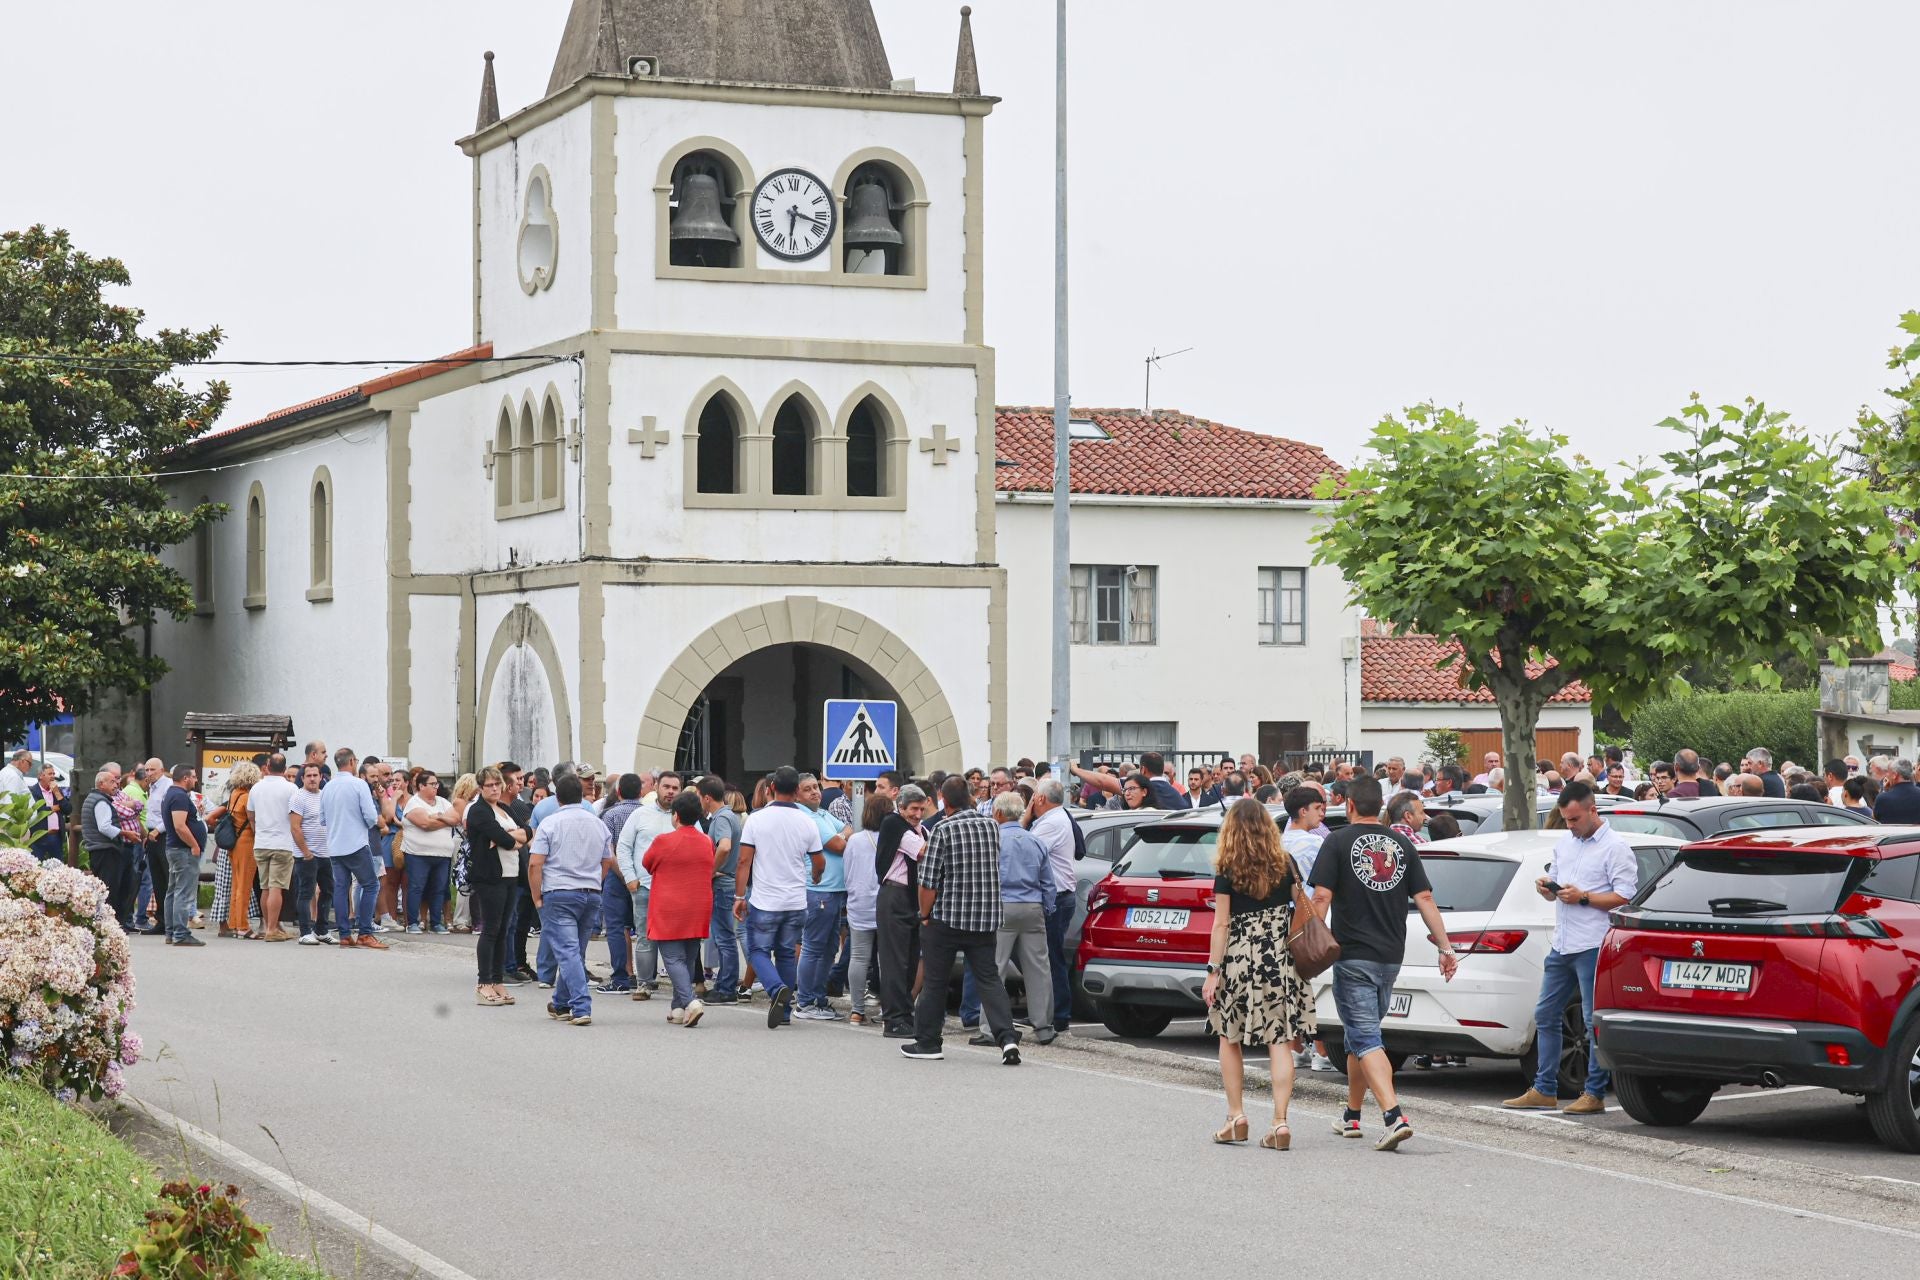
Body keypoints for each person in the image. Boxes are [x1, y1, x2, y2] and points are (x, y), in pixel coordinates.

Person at [1308, 775, 1458, 1150]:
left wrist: (1304, 941)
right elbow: (1424, 898)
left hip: (1354, 954)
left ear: (1350, 805)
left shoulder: (1337, 841)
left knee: (1366, 1037)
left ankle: (1394, 1116)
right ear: (1382, 807)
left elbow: (1322, 897)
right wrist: (1445, 948)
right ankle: (1352, 1115)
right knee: (1360, 1035)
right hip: (1391, 956)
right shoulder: (1402, 844)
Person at [1504, 781, 1639, 1114]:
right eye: (1566, 819)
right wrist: (1548, 889)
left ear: (1593, 810)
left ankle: (1594, 1093)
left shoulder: (1615, 847)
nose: (1570, 825)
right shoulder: (1566, 843)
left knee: (1592, 1022)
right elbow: (1561, 885)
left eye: (1575, 819)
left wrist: (1584, 897)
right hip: (1563, 942)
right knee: (1546, 1015)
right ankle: (1544, 1088)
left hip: (1594, 943)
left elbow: (1625, 897)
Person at [1202, 798, 1316, 1148]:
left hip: (1239, 959)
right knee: (1279, 1040)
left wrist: (1213, 971)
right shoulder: (1286, 862)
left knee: (1229, 1037)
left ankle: (1236, 1116)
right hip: (1280, 959)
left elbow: (1221, 923)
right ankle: (1280, 1122)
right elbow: (1303, 906)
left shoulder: (1228, 867)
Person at [903, 777, 1021, 1064]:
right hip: (985, 918)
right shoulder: (992, 826)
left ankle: (929, 1043)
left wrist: (925, 914)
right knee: (989, 979)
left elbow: (928, 882)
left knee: (935, 981)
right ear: (969, 796)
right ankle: (1006, 1039)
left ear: (943, 798)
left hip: (947, 918)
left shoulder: (942, 830)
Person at [735, 766, 823, 1029]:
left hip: (765, 900)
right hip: (796, 900)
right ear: (797, 791)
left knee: (758, 950)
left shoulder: (756, 819)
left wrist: (739, 895)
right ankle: (784, 1013)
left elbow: (743, 861)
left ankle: (775, 990)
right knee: (786, 953)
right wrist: (816, 876)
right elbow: (818, 860)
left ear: (770, 788)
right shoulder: (808, 821)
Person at [528, 774, 614, 1025]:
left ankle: (581, 1005)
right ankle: (561, 1003)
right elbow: (607, 859)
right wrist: (597, 880)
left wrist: (537, 895)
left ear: (557, 798)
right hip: (590, 892)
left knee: (567, 952)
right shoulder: (598, 824)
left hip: (560, 891)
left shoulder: (550, 823)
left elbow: (535, 863)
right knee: (576, 951)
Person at [643, 790, 716, 1027]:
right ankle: (677, 1008)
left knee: (673, 959)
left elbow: (647, 863)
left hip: (669, 906)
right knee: (687, 957)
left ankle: (691, 1002)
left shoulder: (664, 841)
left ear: (675, 816)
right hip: (698, 905)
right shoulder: (706, 841)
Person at [989, 790, 1056, 1045]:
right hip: (1032, 907)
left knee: (994, 968)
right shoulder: (1035, 841)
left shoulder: (994, 840)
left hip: (1002, 906)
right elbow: (1048, 882)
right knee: (1038, 968)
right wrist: (1047, 909)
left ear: (997, 813)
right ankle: (1043, 1027)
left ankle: (989, 1027)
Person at [616, 771, 682, 999]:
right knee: (645, 936)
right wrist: (630, 877)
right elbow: (623, 846)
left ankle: (680, 985)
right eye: (666, 787)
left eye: (675, 787)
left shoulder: (684, 816)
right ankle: (644, 983)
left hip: (675, 889)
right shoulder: (640, 814)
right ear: (656, 787)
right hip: (644, 886)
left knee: (675, 937)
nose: (670, 791)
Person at [466, 767, 528, 1005]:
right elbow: (506, 839)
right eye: (489, 785)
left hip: (511, 874)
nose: (494, 788)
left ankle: (498, 979)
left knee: (504, 929)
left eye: (497, 784)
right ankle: (484, 982)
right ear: (481, 788)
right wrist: (511, 837)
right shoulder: (478, 811)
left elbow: (528, 833)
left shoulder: (505, 808)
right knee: (491, 929)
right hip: (490, 876)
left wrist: (512, 836)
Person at [875, 784, 930, 1038]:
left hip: (912, 898)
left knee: (909, 960)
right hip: (895, 895)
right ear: (901, 807)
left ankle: (905, 1013)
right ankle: (894, 1019)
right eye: (913, 809)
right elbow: (921, 852)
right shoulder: (894, 823)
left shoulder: (922, 829)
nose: (918, 814)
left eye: (921, 809)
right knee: (895, 961)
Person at [796, 773, 852, 1019]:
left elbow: (849, 829)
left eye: (815, 787)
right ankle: (806, 1002)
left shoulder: (821, 813)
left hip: (834, 890)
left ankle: (818, 998)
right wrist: (841, 837)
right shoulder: (806, 816)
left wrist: (841, 836)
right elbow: (839, 845)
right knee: (813, 946)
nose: (815, 792)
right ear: (797, 795)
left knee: (829, 948)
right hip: (819, 890)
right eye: (807, 789)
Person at [321, 749, 385, 950]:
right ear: (351, 761)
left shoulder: (328, 787)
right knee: (371, 885)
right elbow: (370, 815)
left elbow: (322, 819)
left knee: (341, 888)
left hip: (335, 845)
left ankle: (345, 934)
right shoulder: (359, 784)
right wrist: (367, 825)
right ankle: (365, 932)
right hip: (356, 843)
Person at [842, 793, 890, 1026]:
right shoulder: (895, 839)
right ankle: (887, 1009)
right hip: (886, 903)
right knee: (886, 959)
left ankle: (857, 1010)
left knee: (859, 957)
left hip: (859, 902)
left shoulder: (855, 840)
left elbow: (847, 872)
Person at [596, 773, 645, 994]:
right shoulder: (648, 814)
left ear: (619, 792)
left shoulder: (610, 814)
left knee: (617, 927)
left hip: (617, 878)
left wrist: (624, 875)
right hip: (645, 876)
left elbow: (607, 850)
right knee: (645, 928)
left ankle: (622, 976)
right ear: (641, 792)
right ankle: (646, 976)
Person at [697, 774, 744, 1003]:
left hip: (723, 883)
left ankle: (726, 989)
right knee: (725, 937)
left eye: (699, 797)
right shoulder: (731, 816)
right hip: (729, 881)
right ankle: (725, 985)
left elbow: (724, 846)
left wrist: (710, 870)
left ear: (707, 798)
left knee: (724, 938)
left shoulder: (721, 819)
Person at [248, 755, 298, 941]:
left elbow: (250, 814)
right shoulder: (291, 788)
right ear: (284, 769)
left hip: (261, 842)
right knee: (276, 887)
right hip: (282, 843)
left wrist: (257, 831)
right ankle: (272, 930)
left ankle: (270, 926)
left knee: (265, 887)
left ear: (267, 766)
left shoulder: (256, 787)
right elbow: (295, 815)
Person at [206, 761, 258, 937]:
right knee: (244, 885)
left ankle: (235, 924)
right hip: (247, 842)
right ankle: (243, 926)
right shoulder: (248, 797)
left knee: (237, 884)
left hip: (234, 843)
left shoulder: (235, 793)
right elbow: (253, 822)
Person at [402, 770, 459, 933]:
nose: (436, 787)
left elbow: (456, 819)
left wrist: (437, 816)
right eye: (432, 784)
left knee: (439, 888)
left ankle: (436, 922)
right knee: (416, 887)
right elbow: (424, 824)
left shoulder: (443, 802)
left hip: (442, 855)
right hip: (418, 854)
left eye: (437, 784)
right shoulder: (414, 803)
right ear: (421, 786)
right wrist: (443, 819)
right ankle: (412, 922)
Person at [160, 764, 207, 948]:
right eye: (194, 776)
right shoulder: (179, 796)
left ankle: (171, 932)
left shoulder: (171, 794)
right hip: (183, 850)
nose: (196, 780)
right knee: (183, 892)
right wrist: (194, 845)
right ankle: (180, 933)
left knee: (173, 890)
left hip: (175, 849)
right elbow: (180, 825)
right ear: (185, 778)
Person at [289, 763, 337, 944]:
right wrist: (306, 852)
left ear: (321, 777)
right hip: (307, 855)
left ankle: (321, 930)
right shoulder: (298, 797)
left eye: (315, 775)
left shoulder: (324, 795)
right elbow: (295, 827)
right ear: (302, 778)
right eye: (308, 775)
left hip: (326, 853)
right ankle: (304, 931)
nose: (312, 779)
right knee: (306, 892)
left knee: (328, 891)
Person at [27, 763, 67, 862]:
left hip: (56, 836)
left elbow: (67, 809)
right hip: (39, 837)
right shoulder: (33, 791)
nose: (53, 776)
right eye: (50, 774)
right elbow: (37, 810)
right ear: (40, 776)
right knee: (36, 868)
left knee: (58, 867)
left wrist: (57, 794)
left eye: (54, 773)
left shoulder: (56, 791)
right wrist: (54, 808)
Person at [1873, 759, 1920, 823]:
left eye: (1888, 772)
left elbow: (1874, 818)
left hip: (1891, 833)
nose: (1886, 775)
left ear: (1894, 775)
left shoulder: (1883, 798)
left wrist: (1884, 791)